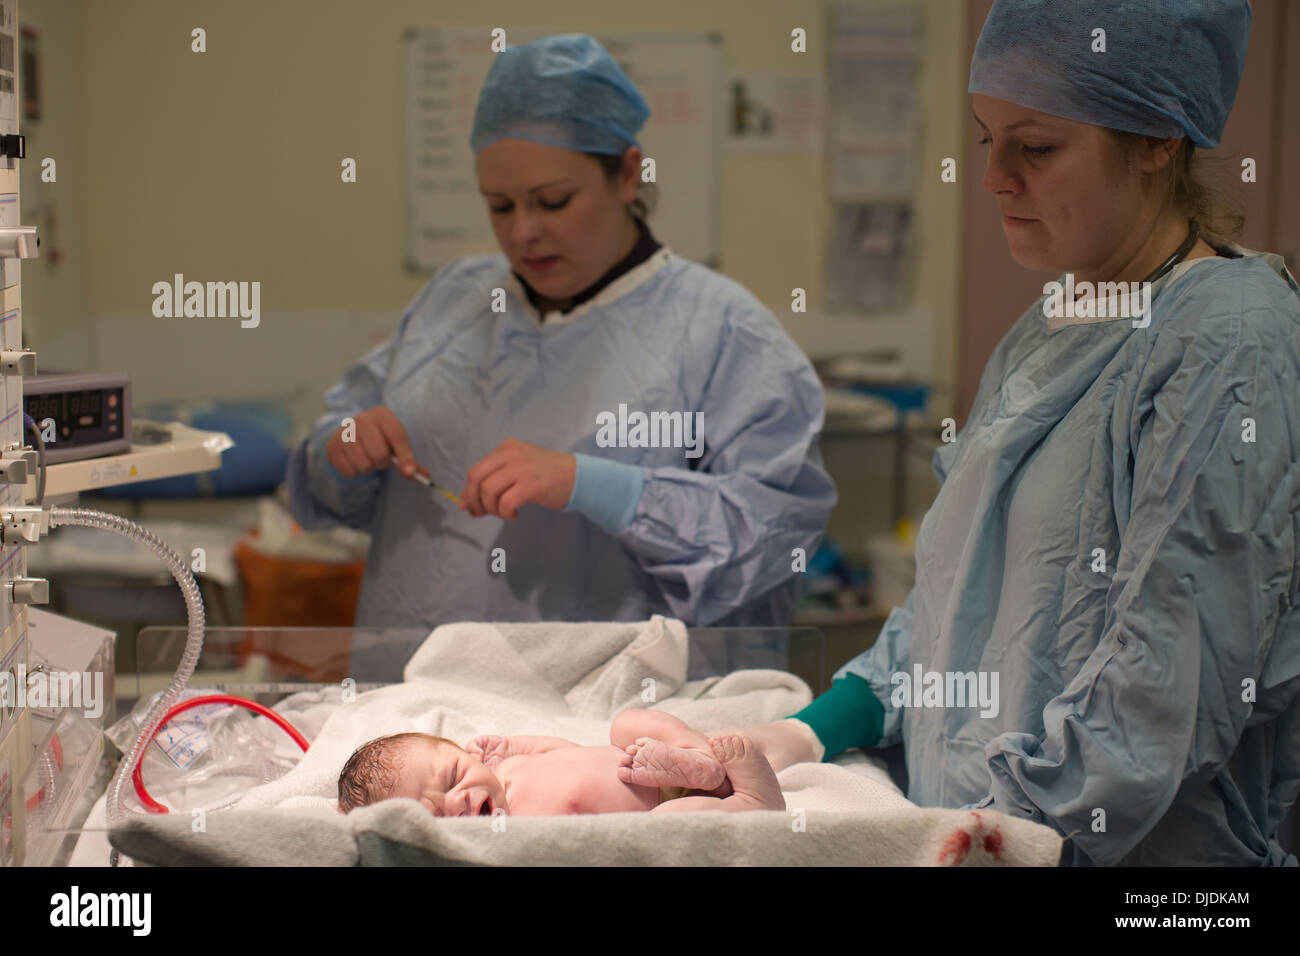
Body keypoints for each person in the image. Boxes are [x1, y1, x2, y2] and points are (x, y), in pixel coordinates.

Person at [747, 0, 1300, 866]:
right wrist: (811, 732)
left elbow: (1162, 694)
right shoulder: (1059, 317)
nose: (995, 176)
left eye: (1035, 148)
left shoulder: (1230, 341)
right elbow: (954, 602)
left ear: (1159, 138)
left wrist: (1001, 836)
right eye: (985, 139)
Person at [287, 34, 835, 629]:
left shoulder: (726, 334)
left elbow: (773, 543)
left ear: (628, 175)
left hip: (612, 711)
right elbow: (326, 484)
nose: (523, 233)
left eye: (552, 201)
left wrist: (603, 488)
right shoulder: (455, 303)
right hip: (416, 695)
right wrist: (341, 446)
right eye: (499, 206)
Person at [336, 709, 784, 816]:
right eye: (435, 813)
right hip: (654, 810)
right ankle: (749, 801)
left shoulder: (506, 769)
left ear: (466, 753)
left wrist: (515, 746)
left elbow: (565, 749)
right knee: (674, 822)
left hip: (642, 762)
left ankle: (698, 757)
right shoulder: (506, 831)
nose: (459, 801)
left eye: (453, 776)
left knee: (628, 721)